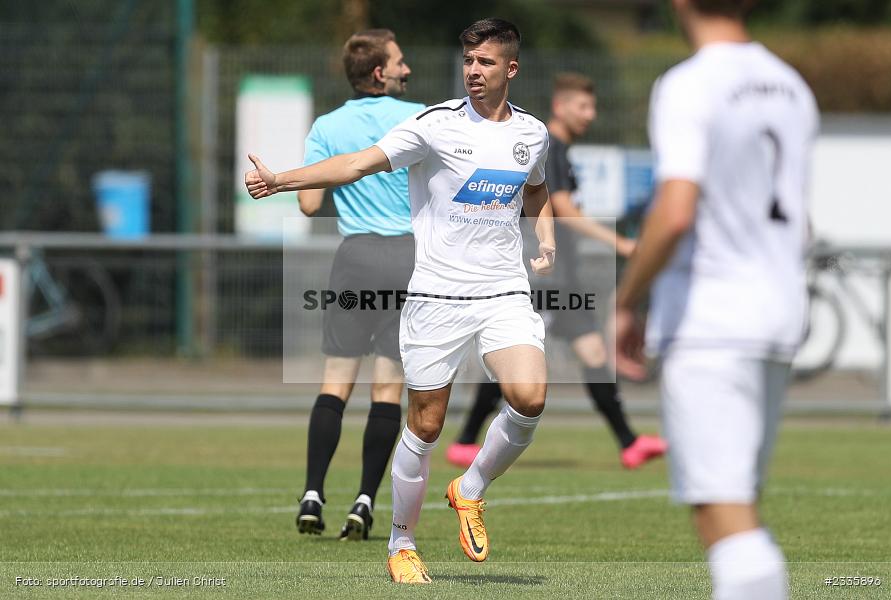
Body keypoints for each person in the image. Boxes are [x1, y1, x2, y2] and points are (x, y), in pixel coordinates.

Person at [245, 18, 554, 585]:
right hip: (436, 294)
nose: (473, 71)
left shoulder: (532, 133)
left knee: (530, 397)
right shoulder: (434, 124)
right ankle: (401, 542)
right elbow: (357, 163)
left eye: (485, 62)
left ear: (511, 69)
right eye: (468, 61)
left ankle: (470, 488)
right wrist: (282, 180)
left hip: (503, 290)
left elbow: (535, 187)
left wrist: (547, 236)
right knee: (426, 424)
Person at [610, 1, 818, 598]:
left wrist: (627, 301)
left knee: (723, 516)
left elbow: (675, 211)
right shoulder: (791, 86)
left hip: (712, 321)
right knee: (741, 504)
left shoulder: (689, 83)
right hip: (778, 312)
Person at [445, 73, 666, 471]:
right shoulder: (550, 147)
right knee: (514, 359)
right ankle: (464, 441)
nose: (591, 114)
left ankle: (629, 443)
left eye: (592, 106)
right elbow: (563, 210)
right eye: (583, 106)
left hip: (564, 279)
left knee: (594, 353)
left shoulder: (561, 150)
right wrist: (620, 243)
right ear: (561, 107)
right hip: (543, 277)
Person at [292, 29, 424, 542]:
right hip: (409, 259)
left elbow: (308, 204)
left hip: (356, 258)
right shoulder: (419, 118)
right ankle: (365, 501)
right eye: (400, 61)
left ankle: (312, 493)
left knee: (335, 383)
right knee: (388, 388)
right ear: (380, 72)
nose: (406, 69)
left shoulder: (327, 125)